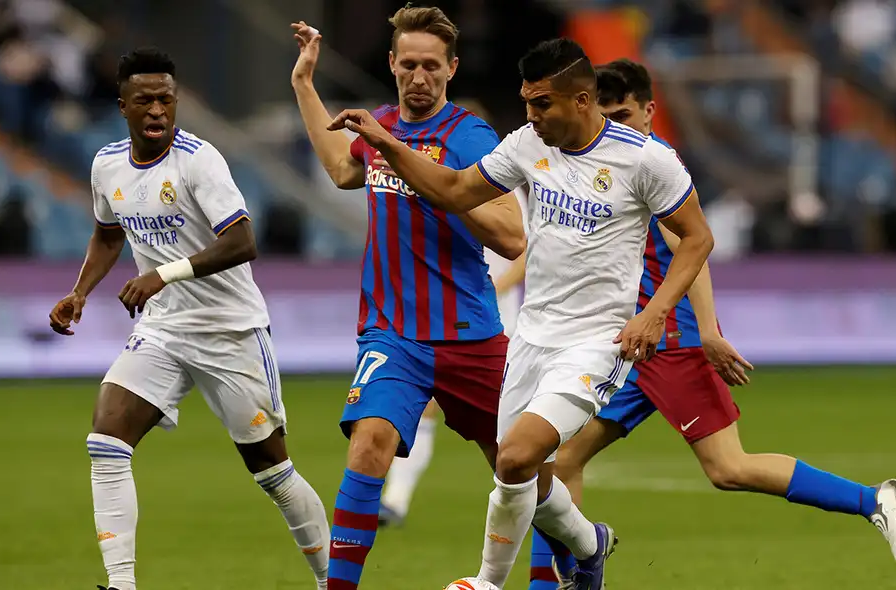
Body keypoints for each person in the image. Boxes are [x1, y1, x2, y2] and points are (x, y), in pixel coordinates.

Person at [328, 38, 715, 590]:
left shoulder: (646, 158)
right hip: (531, 338)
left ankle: (486, 582)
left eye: (541, 104)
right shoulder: (528, 144)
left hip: (597, 342)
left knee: (514, 459)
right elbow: (458, 190)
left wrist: (654, 313)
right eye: (527, 102)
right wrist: (389, 145)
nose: (530, 115)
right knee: (521, 472)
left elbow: (698, 238)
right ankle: (589, 545)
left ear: (582, 101)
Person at [525, 59, 896, 590]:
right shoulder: (606, 162)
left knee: (728, 467)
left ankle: (873, 500)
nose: (615, 124)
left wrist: (708, 331)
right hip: (625, 345)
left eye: (625, 113)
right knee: (557, 457)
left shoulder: (652, 164)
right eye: (607, 113)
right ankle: (561, 579)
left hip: (669, 343)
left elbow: (693, 247)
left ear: (649, 111)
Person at [48, 47, 330, 590]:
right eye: (145, 101)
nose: (157, 110)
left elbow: (243, 241)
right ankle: (122, 584)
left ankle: (332, 583)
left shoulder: (200, 160)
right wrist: (79, 291)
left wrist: (164, 273)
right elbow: (109, 234)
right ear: (123, 107)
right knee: (106, 441)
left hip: (231, 331)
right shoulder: (107, 163)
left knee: (272, 472)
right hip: (163, 329)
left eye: (166, 100)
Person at [290, 7, 526, 589]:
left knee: (522, 469)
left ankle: (575, 549)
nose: (419, 76)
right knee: (369, 443)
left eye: (431, 66)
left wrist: (394, 151)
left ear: (451, 68)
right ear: (392, 64)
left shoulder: (469, 136)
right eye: (409, 64)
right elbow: (342, 171)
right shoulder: (383, 125)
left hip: (469, 334)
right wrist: (304, 84)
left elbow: (511, 235)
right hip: (393, 332)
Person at [378, 102, 530, 529]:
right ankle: (395, 501)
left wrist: (493, 286)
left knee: (507, 436)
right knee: (426, 409)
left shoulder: (505, 188)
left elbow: (525, 248)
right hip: (450, 320)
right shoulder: (438, 182)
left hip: (499, 323)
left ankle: (543, 516)